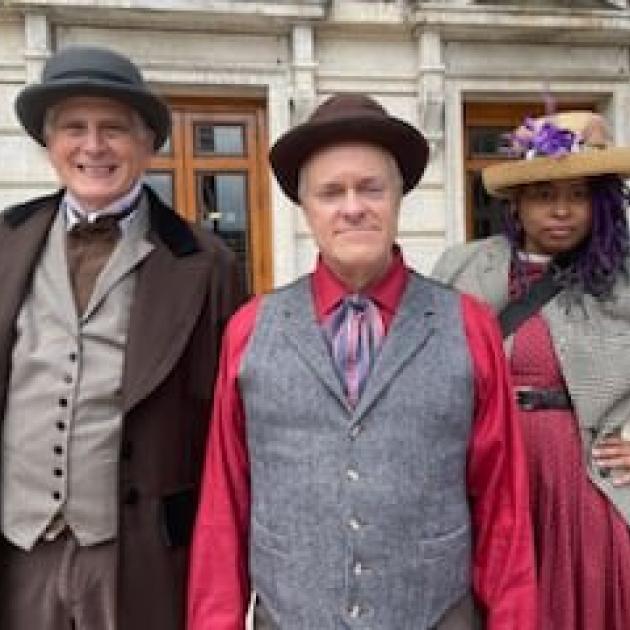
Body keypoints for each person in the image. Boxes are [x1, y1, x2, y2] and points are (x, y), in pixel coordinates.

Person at [188, 93, 536, 630]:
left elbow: (503, 505)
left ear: (399, 197)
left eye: (371, 188)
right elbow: (224, 502)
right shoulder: (251, 329)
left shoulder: (468, 325)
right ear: (305, 208)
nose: (353, 206)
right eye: (331, 192)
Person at [0, 46, 242, 630]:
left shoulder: (206, 263)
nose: (93, 146)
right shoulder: (5, 241)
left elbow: (225, 428)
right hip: (17, 545)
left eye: (113, 129)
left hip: (136, 553)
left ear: (146, 143)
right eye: (74, 129)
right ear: (48, 142)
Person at [433, 110, 630, 629]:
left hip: (585, 485)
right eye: (543, 195)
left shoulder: (623, 279)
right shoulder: (462, 269)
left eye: (579, 195)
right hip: (491, 475)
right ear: (516, 204)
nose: (561, 211)